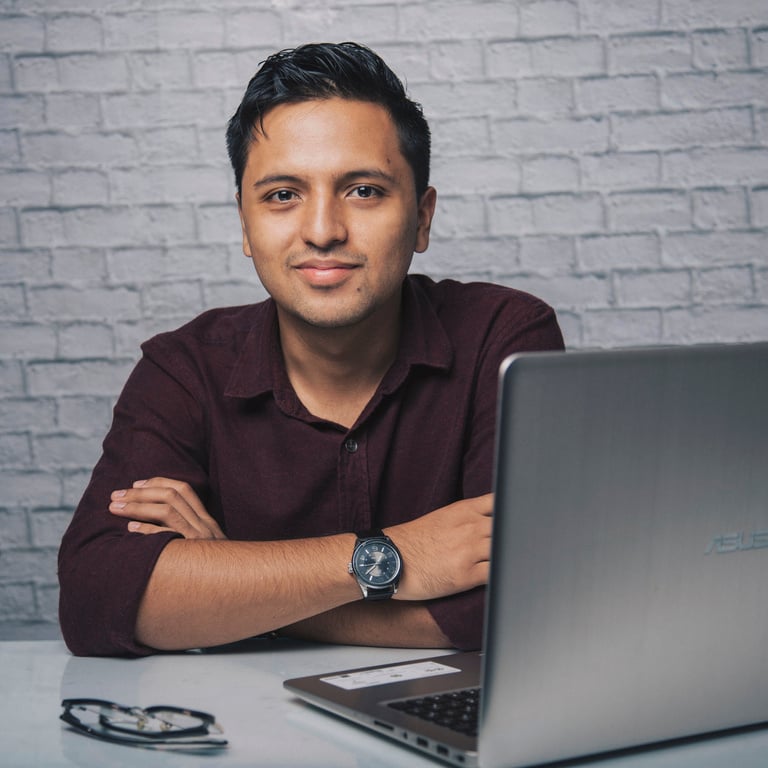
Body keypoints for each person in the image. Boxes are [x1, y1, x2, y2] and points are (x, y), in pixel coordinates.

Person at [58, 42, 564, 657]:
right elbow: (95, 599)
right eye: (281, 196)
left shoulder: (505, 338)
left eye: (364, 191)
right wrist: (396, 557)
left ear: (422, 218)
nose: (323, 230)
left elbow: (529, 601)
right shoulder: (183, 368)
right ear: (245, 226)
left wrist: (232, 584)